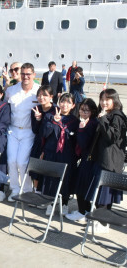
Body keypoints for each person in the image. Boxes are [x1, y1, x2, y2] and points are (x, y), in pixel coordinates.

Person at [85, 89, 126, 233]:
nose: (103, 102)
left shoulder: (117, 116)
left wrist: (102, 120)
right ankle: (101, 222)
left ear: (114, 100)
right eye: (102, 99)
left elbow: (112, 138)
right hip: (102, 159)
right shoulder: (107, 115)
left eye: (107, 99)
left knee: (104, 194)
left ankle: (103, 224)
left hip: (110, 161)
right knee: (100, 193)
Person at [5, 62, 40, 202]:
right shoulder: (11, 90)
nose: (25, 76)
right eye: (23, 73)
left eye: (28, 74)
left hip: (29, 131)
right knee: (11, 160)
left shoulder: (39, 91)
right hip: (13, 130)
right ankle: (14, 188)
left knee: (22, 162)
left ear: (34, 75)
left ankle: (26, 190)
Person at [40, 93, 79, 216]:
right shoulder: (50, 116)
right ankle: (51, 202)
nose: (64, 104)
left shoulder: (75, 121)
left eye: (68, 102)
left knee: (66, 179)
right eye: (62, 101)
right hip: (52, 152)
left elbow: (77, 141)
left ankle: (64, 203)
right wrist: (52, 123)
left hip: (67, 155)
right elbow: (44, 134)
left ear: (73, 105)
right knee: (51, 179)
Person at [65, 98, 98, 223]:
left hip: (89, 160)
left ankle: (83, 212)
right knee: (80, 186)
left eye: (87, 110)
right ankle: (84, 211)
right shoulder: (87, 121)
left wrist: (82, 129)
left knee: (81, 187)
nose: (83, 113)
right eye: (82, 110)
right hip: (85, 158)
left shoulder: (91, 123)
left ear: (92, 111)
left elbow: (84, 144)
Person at [30, 85, 57, 193]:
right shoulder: (36, 109)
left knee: (46, 169)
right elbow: (35, 130)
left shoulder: (56, 110)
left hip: (51, 144)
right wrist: (38, 119)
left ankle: (45, 193)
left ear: (51, 96)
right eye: (39, 95)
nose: (41, 97)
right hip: (39, 142)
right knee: (35, 168)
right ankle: (36, 191)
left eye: (44, 95)